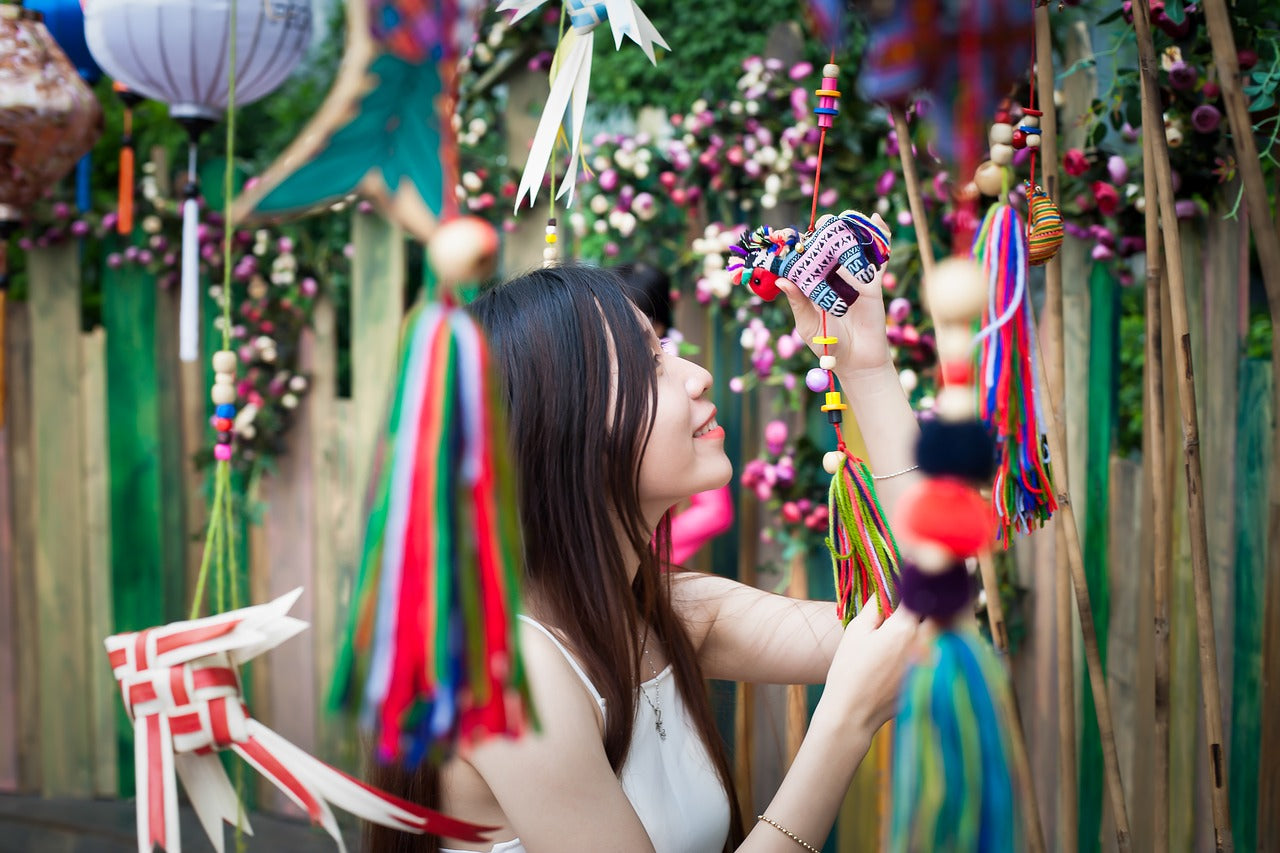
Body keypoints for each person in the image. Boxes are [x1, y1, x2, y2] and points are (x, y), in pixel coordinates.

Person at [366, 215, 926, 853]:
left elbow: (923, 616)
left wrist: (868, 368)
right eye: (650, 364)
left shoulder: (667, 614)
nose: (697, 374)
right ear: (562, 432)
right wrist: (844, 726)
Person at [614, 261, 734, 567]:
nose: (701, 378)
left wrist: (640, 555)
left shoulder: (680, 388)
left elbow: (715, 511)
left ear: (660, 324)